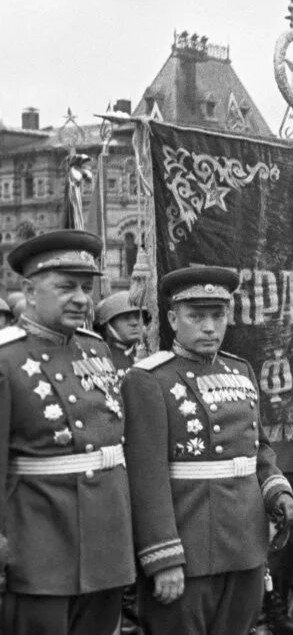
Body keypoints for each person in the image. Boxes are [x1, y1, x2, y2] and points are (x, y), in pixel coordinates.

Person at [122, 266, 293, 635]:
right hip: (187, 547)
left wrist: (279, 492)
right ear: (173, 319)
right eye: (196, 316)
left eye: (217, 315)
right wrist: (163, 557)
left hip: (245, 544)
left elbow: (259, 451)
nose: (209, 327)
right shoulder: (149, 379)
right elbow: (146, 480)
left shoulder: (240, 371)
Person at [0, 230, 135, 635]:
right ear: (29, 289)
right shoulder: (7, 359)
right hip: (39, 550)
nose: (81, 298)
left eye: (86, 287)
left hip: (107, 543)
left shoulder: (96, 349)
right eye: (66, 287)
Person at [94, 292, 148, 374]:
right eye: (126, 317)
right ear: (109, 324)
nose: (134, 323)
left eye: (138, 316)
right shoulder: (101, 358)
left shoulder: (150, 354)